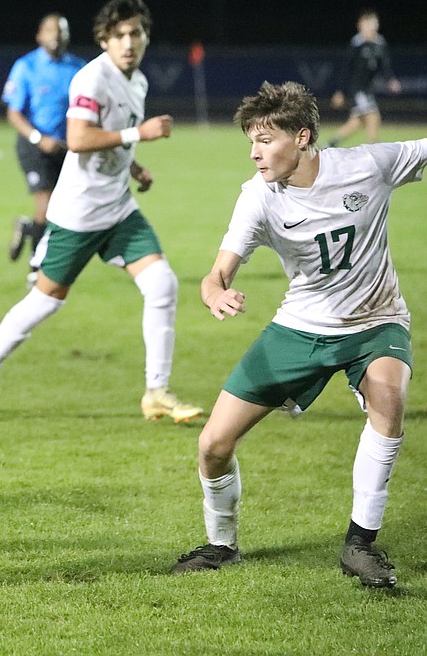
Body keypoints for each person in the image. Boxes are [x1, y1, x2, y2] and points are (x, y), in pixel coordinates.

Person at [171, 81, 423, 588]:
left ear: (302, 137)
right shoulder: (258, 197)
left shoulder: (368, 165)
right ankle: (221, 544)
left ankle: (360, 544)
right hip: (301, 327)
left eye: (265, 140)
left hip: (376, 321)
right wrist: (215, 293)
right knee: (213, 444)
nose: (254, 153)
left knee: (388, 398)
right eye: (251, 141)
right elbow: (216, 275)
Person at [0, 0, 202, 424]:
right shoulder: (91, 79)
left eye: (136, 34)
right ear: (104, 40)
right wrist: (140, 136)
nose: (128, 42)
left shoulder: (138, 81)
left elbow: (115, 135)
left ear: (146, 37)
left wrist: (135, 167)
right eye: (119, 35)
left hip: (118, 209)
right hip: (80, 213)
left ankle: (156, 392)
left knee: (162, 284)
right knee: (46, 299)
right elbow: (78, 138)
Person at [2, 12, 86, 280]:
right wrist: (39, 138)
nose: (56, 36)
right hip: (33, 145)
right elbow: (14, 113)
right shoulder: (26, 66)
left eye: (61, 31)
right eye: (51, 30)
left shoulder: (79, 68)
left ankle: (29, 228)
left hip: (66, 147)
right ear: (39, 36)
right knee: (47, 206)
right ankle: (37, 270)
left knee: (63, 210)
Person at [327, 9, 401, 148]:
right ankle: (374, 148)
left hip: (369, 89)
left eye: (375, 24)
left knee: (356, 123)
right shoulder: (356, 44)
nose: (373, 27)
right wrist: (340, 91)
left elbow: (384, 65)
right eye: (369, 24)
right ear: (361, 25)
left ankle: (328, 144)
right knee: (373, 116)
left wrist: (390, 79)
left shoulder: (380, 43)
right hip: (358, 90)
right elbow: (346, 69)